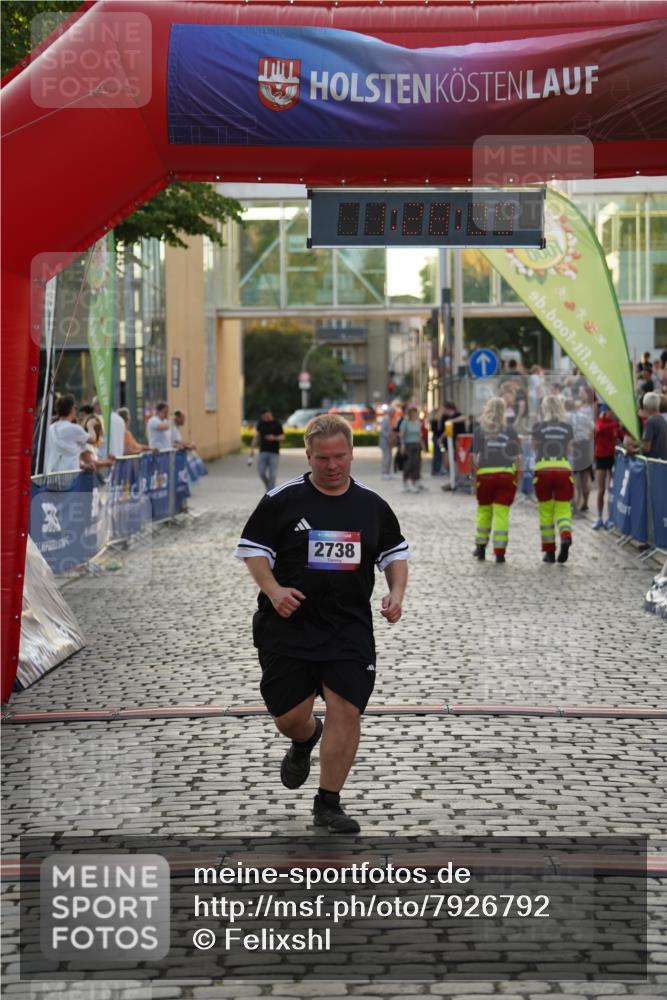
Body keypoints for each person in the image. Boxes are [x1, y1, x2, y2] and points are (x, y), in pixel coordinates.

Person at [234, 414, 410, 834]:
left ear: (351, 454)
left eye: (340, 457)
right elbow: (253, 551)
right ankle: (302, 739)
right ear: (308, 456)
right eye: (322, 458)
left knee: (346, 708)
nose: (332, 466)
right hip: (289, 626)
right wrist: (275, 591)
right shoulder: (281, 500)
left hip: (347, 627)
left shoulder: (371, 506)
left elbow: (395, 555)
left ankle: (328, 803)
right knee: (289, 717)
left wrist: (396, 593)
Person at [471, 397, 522, 564]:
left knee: (484, 512)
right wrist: (517, 479)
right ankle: (500, 552)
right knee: (501, 514)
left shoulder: (479, 431)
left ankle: (480, 548)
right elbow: (517, 458)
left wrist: (474, 479)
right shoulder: (510, 431)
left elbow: (473, 459)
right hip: (505, 476)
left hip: (485, 476)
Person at [532, 396, 574, 564]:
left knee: (546, 511)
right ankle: (565, 536)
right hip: (563, 469)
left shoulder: (538, 427)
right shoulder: (567, 427)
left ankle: (549, 552)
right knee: (563, 510)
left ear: (544, 409)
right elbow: (570, 449)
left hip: (543, 469)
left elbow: (534, 447)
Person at [44, 394, 97, 473]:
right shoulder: (74, 428)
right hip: (69, 475)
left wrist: (83, 466)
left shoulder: (50, 428)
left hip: (52, 474)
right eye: (75, 408)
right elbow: (93, 439)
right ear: (71, 409)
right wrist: (90, 425)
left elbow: (64, 454)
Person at [566, 385, 595, 514]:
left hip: (574, 445)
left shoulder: (567, 417)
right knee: (585, 476)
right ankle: (585, 503)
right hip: (585, 445)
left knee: (575, 477)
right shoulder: (585, 416)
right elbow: (593, 429)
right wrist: (588, 441)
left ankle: (575, 504)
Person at [592, 403, 622, 530]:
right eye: (611, 412)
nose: (613, 415)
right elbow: (600, 429)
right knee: (601, 489)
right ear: (605, 412)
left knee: (612, 490)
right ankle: (599, 517)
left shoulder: (613, 423)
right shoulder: (601, 421)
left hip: (611, 457)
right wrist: (616, 425)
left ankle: (611, 517)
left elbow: (621, 435)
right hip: (600, 458)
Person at [250, 406, 285, 493]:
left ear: (270, 414)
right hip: (263, 451)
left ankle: (270, 492)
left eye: (266, 416)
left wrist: (274, 437)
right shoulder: (261, 423)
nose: (265, 418)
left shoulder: (277, 424)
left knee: (272, 475)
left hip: (274, 453)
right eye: (263, 417)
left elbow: (283, 437)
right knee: (261, 472)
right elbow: (257, 436)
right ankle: (269, 488)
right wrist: (252, 448)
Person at [399, 404, 425, 492]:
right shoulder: (405, 422)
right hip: (408, 445)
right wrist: (402, 445)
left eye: (416, 413)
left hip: (417, 445)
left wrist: (423, 445)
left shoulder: (418, 422)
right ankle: (406, 482)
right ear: (410, 414)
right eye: (413, 413)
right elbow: (401, 435)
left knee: (417, 464)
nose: (415, 415)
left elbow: (419, 435)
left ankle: (415, 482)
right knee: (408, 464)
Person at [640, 391, 667, 460]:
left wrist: (634, 450)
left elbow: (646, 447)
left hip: (653, 463)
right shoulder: (663, 420)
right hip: (662, 462)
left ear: (645, 406)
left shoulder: (650, 422)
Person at [378, 406, 395, 480]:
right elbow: (383, 431)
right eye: (393, 412)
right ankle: (384, 473)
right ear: (390, 412)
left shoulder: (389, 419)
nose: (394, 414)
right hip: (385, 441)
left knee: (389, 457)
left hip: (388, 441)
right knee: (386, 457)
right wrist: (389, 437)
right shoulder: (386, 418)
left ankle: (387, 472)